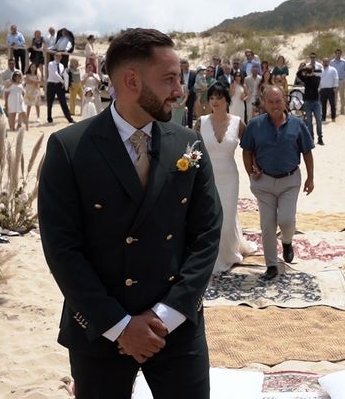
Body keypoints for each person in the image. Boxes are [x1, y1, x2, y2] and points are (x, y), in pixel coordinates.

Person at [38, 28, 222, 398]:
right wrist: (120, 326)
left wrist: (166, 316)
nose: (179, 90)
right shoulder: (69, 149)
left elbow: (207, 234)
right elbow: (62, 249)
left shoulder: (188, 143)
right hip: (99, 328)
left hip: (176, 325)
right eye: (169, 79)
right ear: (132, 80)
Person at [240, 85, 314, 279]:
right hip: (263, 183)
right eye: (270, 102)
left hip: (290, 181)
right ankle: (271, 266)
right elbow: (246, 151)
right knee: (267, 225)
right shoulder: (255, 125)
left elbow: (307, 152)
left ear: (285, 102)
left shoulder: (297, 124)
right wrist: (250, 172)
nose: (275, 105)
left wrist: (311, 178)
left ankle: (287, 241)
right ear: (264, 103)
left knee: (286, 220)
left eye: (278, 101)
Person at [195, 83, 256, 273]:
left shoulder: (238, 123)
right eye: (212, 98)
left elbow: (250, 148)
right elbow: (193, 147)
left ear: (227, 100)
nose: (214, 102)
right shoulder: (201, 122)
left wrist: (255, 167)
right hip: (207, 175)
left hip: (229, 176)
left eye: (219, 98)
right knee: (210, 216)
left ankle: (227, 254)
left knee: (227, 216)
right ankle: (212, 255)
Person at [296, 55, 323, 145]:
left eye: (309, 69)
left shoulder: (317, 78)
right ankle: (311, 137)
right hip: (307, 101)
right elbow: (298, 74)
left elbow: (315, 85)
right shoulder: (306, 78)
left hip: (315, 101)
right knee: (309, 121)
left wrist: (311, 73)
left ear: (313, 70)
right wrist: (304, 68)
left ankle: (320, 138)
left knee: (318, 120)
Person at [46, 52, 74, 124]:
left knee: (63, 102)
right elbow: (54, 74)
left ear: (61, 57)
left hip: (59, 85)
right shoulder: (51, 64)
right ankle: (49, 118)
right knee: (50, 102)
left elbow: (63, 75)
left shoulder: (61, 65)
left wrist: (66, 83)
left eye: (59, 56)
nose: (58, 57)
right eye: (56, 56)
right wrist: (63, 82)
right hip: (51, 84)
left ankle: (69, 119)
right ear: (54, 56)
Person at [330, 49, 345, 116]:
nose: (338, 54)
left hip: (341, 80)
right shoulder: (332, 62)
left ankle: (342, 110)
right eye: (337, 53)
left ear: (341, 54)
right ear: (335, 54)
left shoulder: (344, 62)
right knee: (334, 96)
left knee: (342, 96)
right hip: (334, 81)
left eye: (339, 53)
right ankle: (334, 110)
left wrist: (344, 77)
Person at [319, 57, 339, 122]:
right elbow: (318, 79)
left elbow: (336, 78)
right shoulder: (320, 70)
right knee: (323, 104)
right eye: (324, 61)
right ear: (322, 62)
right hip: (322, 90)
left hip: (331, 89)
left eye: (326, 61)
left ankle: (333, 117)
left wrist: (335, 87)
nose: (325, 63)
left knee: (332, 104)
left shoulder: (333, 69)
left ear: (329, 62)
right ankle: (323, 117)